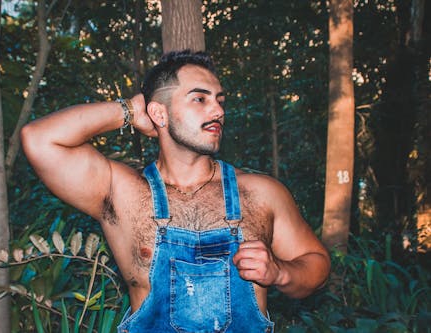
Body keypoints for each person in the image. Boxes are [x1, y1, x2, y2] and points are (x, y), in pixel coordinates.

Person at [21, 50, 330, 333]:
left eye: (219, 100)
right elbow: (38, 138)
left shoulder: (262, 193)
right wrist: (128, 110)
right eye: (200, 99)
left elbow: (316, 264)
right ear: (159, 113)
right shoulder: (122, 191)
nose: (218, 111)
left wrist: (281, 273)